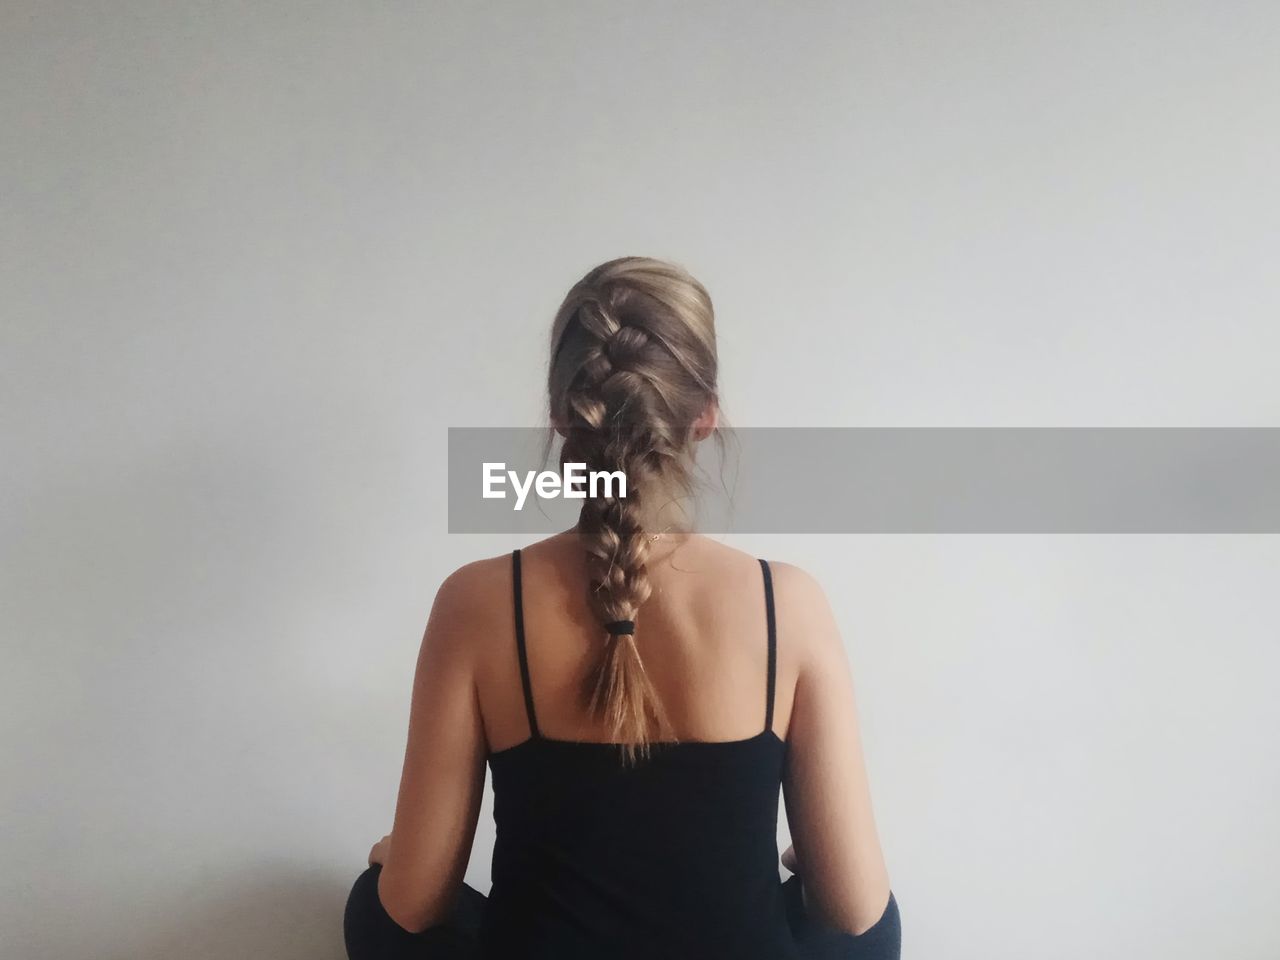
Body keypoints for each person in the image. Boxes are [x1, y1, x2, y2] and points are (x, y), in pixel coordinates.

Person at [344, 257, 901, 959]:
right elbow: (855, 911)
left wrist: (397, 860)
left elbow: (413, 904)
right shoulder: (787, 603)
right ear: (705, 416)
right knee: (875, 927)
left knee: (373, 905)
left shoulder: (476, 604)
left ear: (561, 417)